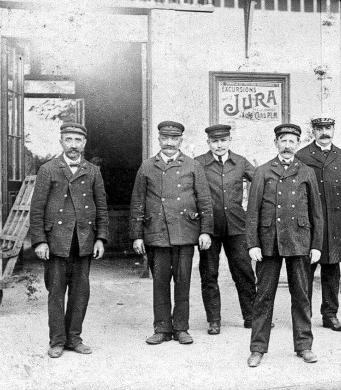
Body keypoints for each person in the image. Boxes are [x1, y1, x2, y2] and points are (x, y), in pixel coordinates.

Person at [245, 124, 324, 367]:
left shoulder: (307, 172)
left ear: (298, 144)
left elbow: (316, 213)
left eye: (292, 141)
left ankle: (304, 346)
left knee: (301, 296)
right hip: (269, 242)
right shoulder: (263, 171)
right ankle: (258, 348)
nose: (288, 145)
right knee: (263, 297)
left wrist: (317, 245)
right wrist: (253, 244)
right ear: (276, 143)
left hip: (299, 240)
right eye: (283, 141)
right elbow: (253, 211)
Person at [129, 121, 214, 345]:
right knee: (160, 282)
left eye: (174, 139)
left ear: (180, 141)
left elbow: (204, 201)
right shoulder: (147, 167)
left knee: (183, 282)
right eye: (165, 138)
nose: (169, 143)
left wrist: (206, 231)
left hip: (184, 232)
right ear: (158, 139)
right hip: (156, 233)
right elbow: (137, 202)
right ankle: (162, 328)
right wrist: (137, 235)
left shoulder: (193, 166)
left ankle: (181, 328)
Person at [30, 123, 109, 358]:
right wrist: (40, 241)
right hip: (56, 241)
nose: (73, 145)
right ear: (61, 141)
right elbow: (37, 209)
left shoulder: (93, 170)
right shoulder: (48, 169)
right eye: (68, 140)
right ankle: (56, 340)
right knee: (56, 291)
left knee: (80, 292)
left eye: (77, 140)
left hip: (84, 239)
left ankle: (74, 338)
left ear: (84, 143)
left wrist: (101, 238)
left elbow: (101, 207)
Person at [195, 124, 257, 334]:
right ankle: (214, 320)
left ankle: (251, 316)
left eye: (223, 141)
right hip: (209, 228)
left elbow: (260, 182)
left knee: (244, 272)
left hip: (237, 226)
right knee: (209, 274)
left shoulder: (240, 162)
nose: (219, 145)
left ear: (230, 140)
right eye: (215, 141)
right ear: (208, 143)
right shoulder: (199, 163)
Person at [296, 117, 341, 332]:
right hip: (309, 223)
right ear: (314, 131)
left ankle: (330, 314)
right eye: (320, 129)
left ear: (334, 130)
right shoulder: (302, 155)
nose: (324, 132)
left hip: (334, 222)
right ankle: (304, 314)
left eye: (328, 128)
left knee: (332, 270)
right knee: (305, 270)